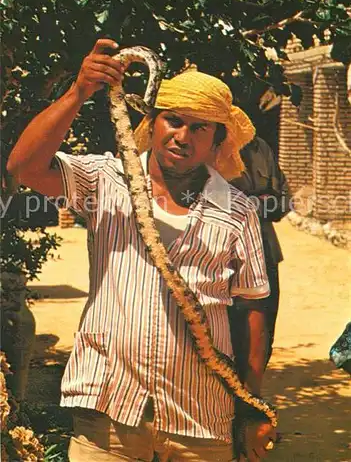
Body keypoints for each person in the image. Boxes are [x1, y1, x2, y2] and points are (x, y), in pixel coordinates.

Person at [7, 39, 277, 462]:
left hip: (201, 417)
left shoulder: (238, 211)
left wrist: (251, 404)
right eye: (173, 121)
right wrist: (79, 92)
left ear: (216, 141)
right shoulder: (105, 181)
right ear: (153, 123)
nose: (181, 137)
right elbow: (24, 167)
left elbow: (253, 308)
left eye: (199, 127)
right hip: (110, 412)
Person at [230, 136, 291, 365]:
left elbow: (283, 201)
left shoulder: (260, 147)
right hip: (226, 258)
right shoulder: (210, 143)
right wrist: (260, 198)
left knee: (263, 336)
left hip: (266, 253)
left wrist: (245, 201)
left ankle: (252, 394)